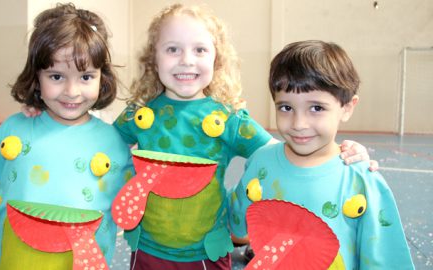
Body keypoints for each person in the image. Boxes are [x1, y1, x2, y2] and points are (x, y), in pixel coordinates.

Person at [112, 4, 377, 269]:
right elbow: (104, 143)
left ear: (216, 59)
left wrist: (341, 153)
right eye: (173, 49)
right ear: (153, 58)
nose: (187, 60)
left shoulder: (229, 118)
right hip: (146, 250)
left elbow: (281, 153)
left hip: (205, 254)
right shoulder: (138, 114)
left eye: (200, 50)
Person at [0, 3, 133, 270]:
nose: (71, 91)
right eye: (57, 76)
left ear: (101, 79)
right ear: (36, 78)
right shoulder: (13, 130)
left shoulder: (114, 143)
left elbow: (133, 205)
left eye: (85, 77)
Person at [229, 40, 414, 269]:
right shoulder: (260, 163)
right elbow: (235, 228)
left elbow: (384, 260)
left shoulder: (361, 180)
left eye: (316, 108)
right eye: (286, 107)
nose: (299, 123)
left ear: (347, 108)